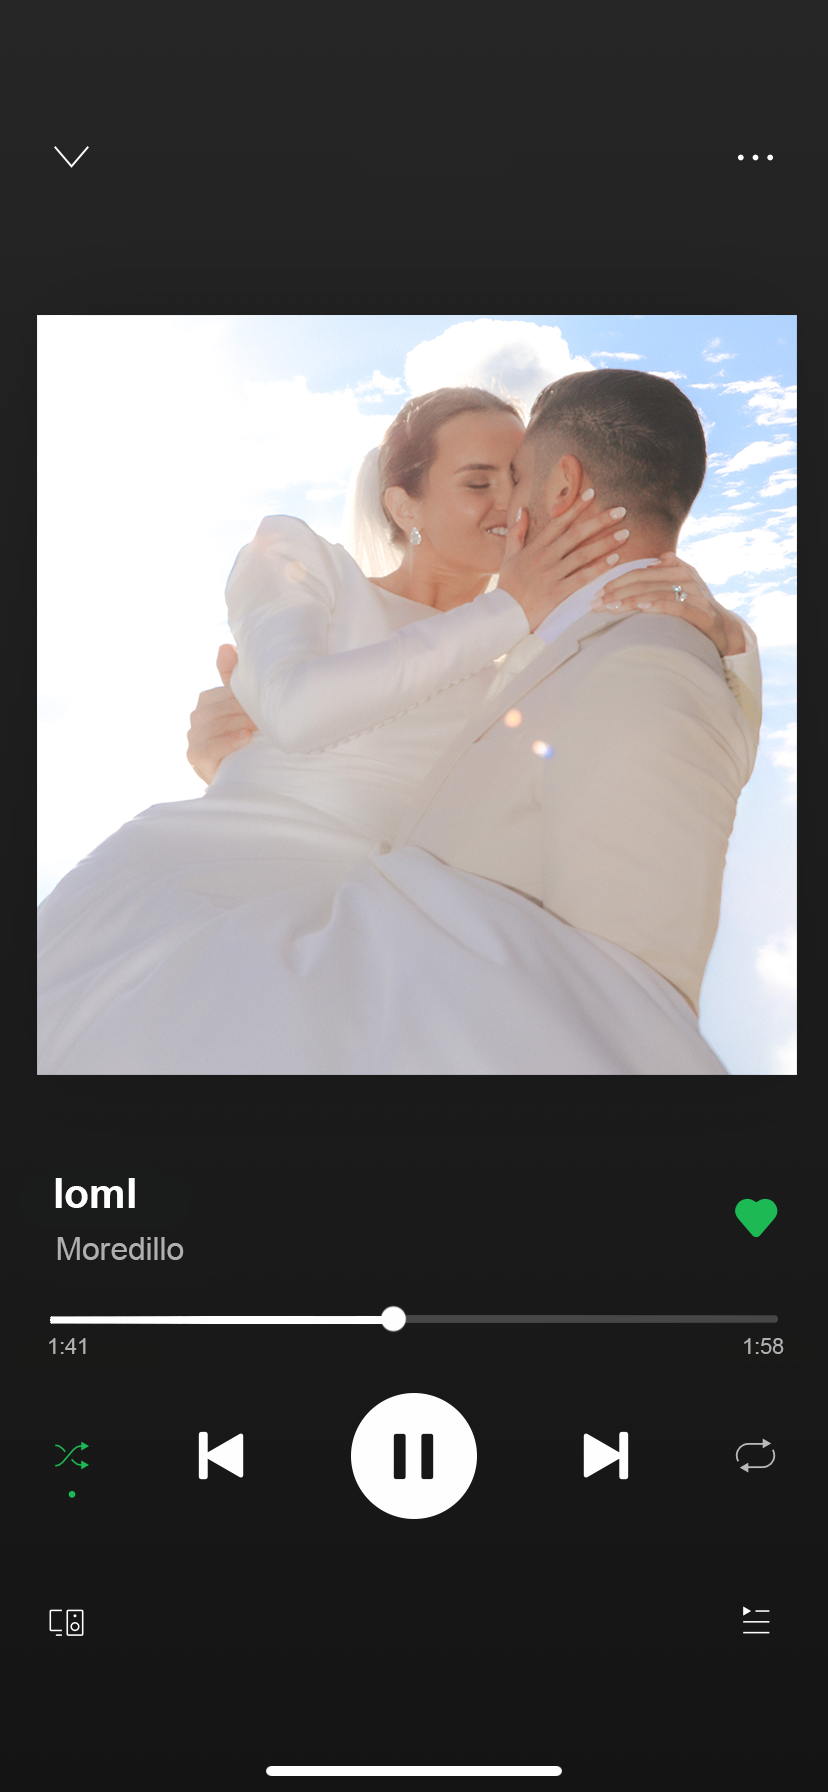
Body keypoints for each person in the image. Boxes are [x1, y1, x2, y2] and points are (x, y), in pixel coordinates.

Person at [37, 373, 760, 1074]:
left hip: (374, 923)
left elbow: (636, 748)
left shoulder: (528, 654)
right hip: (200, 884)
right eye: (479, 482)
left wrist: (724, 637)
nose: (510, 502)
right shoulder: (304, 562)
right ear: (403, 505)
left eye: (517, 475)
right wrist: (506, 607)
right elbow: (294, 708)